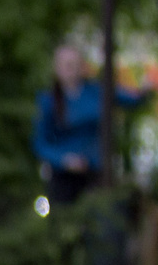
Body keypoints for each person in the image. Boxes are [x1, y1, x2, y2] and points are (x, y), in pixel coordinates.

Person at [32, 43, 149, 207]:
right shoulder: (48, 101)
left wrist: (146, 85)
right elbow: (40, 144)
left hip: (97, 174)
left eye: (75, 64)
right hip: (64, 180)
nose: (72, 69)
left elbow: (131, 99)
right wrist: (64, 160)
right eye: (67, 65)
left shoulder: (96, 92)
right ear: (57, 68)